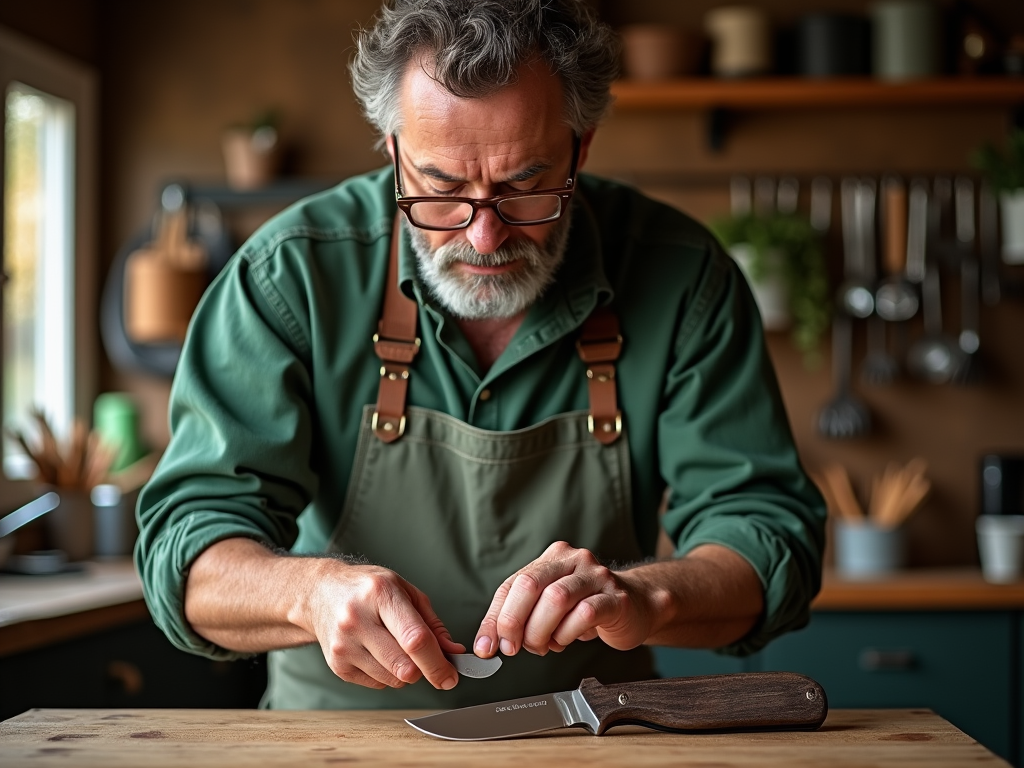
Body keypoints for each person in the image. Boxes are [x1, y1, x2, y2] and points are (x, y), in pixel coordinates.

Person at [135, 0, 826, 711]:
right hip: (335, 747)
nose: (485, 236)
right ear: (393, 147)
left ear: (581, 147)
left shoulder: (682, 276)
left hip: (595, 741)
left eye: (526, 186)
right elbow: (188, 557)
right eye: (440, 189)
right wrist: (307, 594)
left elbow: (769, 540)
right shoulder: (287, 277)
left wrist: (646, 595)